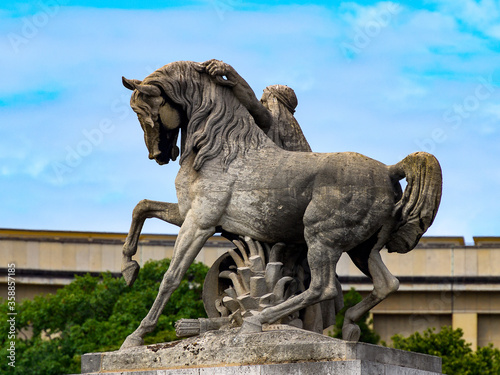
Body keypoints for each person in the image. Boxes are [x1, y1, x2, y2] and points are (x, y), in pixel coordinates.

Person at [202, 59, 311, 152]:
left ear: (276, 105)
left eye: (265, 101)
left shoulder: (269, 121)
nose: (261, 102)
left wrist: (230, 72)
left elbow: (252, 103)